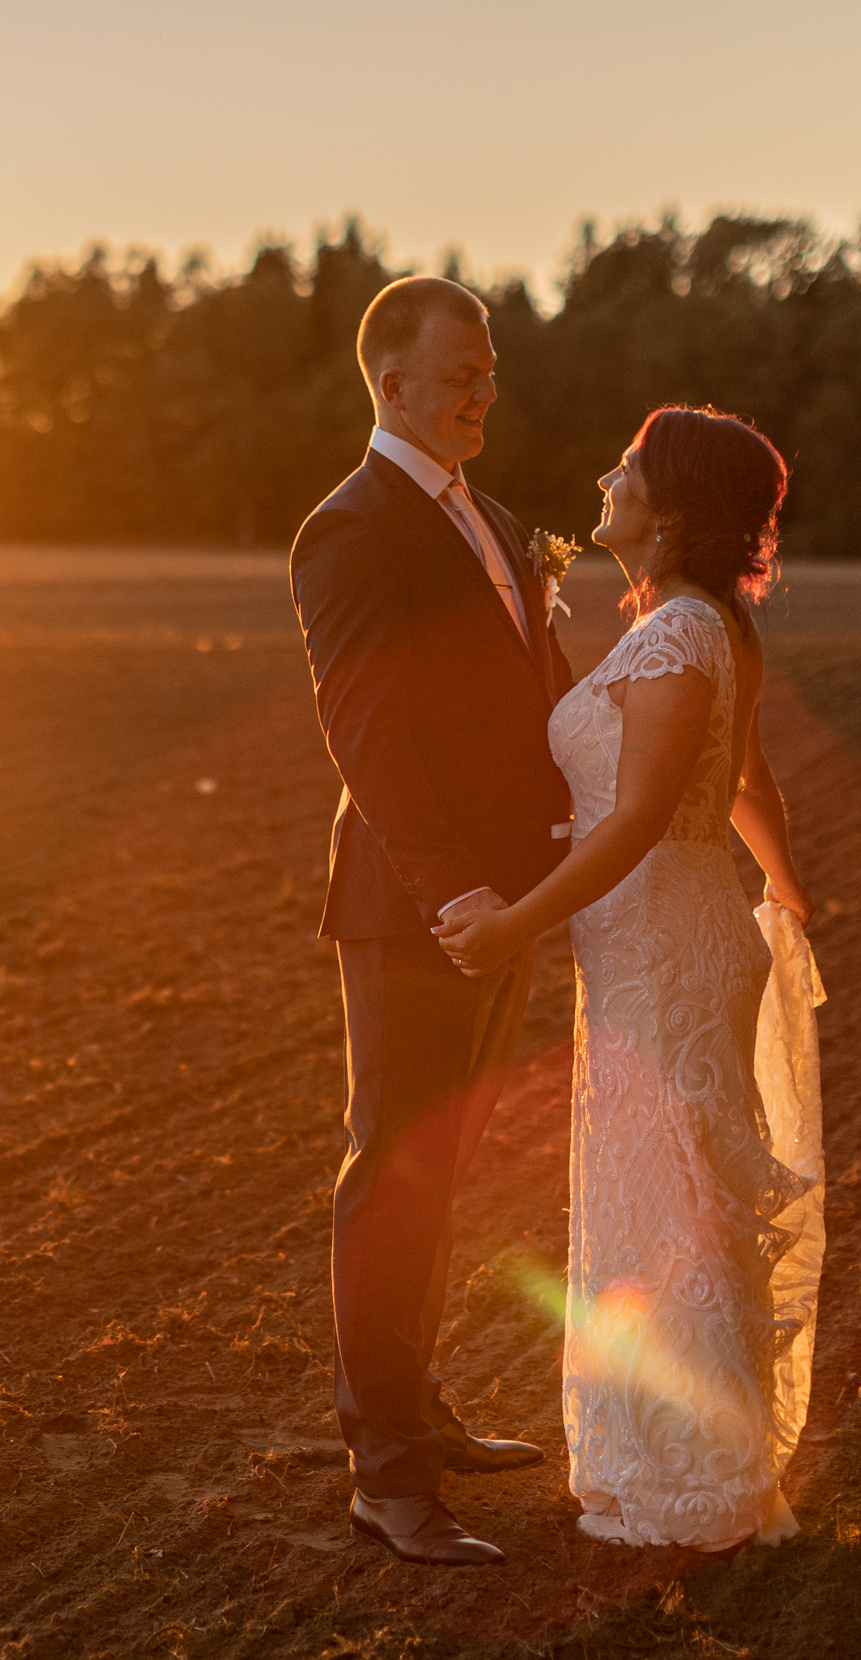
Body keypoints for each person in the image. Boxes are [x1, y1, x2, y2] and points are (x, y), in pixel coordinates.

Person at [434, 405, 826, 1551]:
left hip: (661, 942)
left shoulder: (676, 638)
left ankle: (692, 1483)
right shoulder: (708, 628)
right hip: (679, 934)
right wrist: (787, 891)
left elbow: (646, 814)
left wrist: (515, 920)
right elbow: (750, 788)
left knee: (674, 1204)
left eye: (630, 467)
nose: (606, 475)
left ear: (675, 509)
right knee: (677, 1193)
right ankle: (688, 1462)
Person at [288, 276, 576, 1568]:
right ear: (389, 381)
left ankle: (422, 1409)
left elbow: (531, 697)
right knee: (390, 1178)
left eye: (492, 368)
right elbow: (369, 731)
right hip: (420, 910)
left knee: (445, 1171)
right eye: (460, 371)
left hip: (508, 902)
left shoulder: (498, 520)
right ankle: (386, 1475)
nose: (484, 389)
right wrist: (457, 889)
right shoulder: (351, 528)